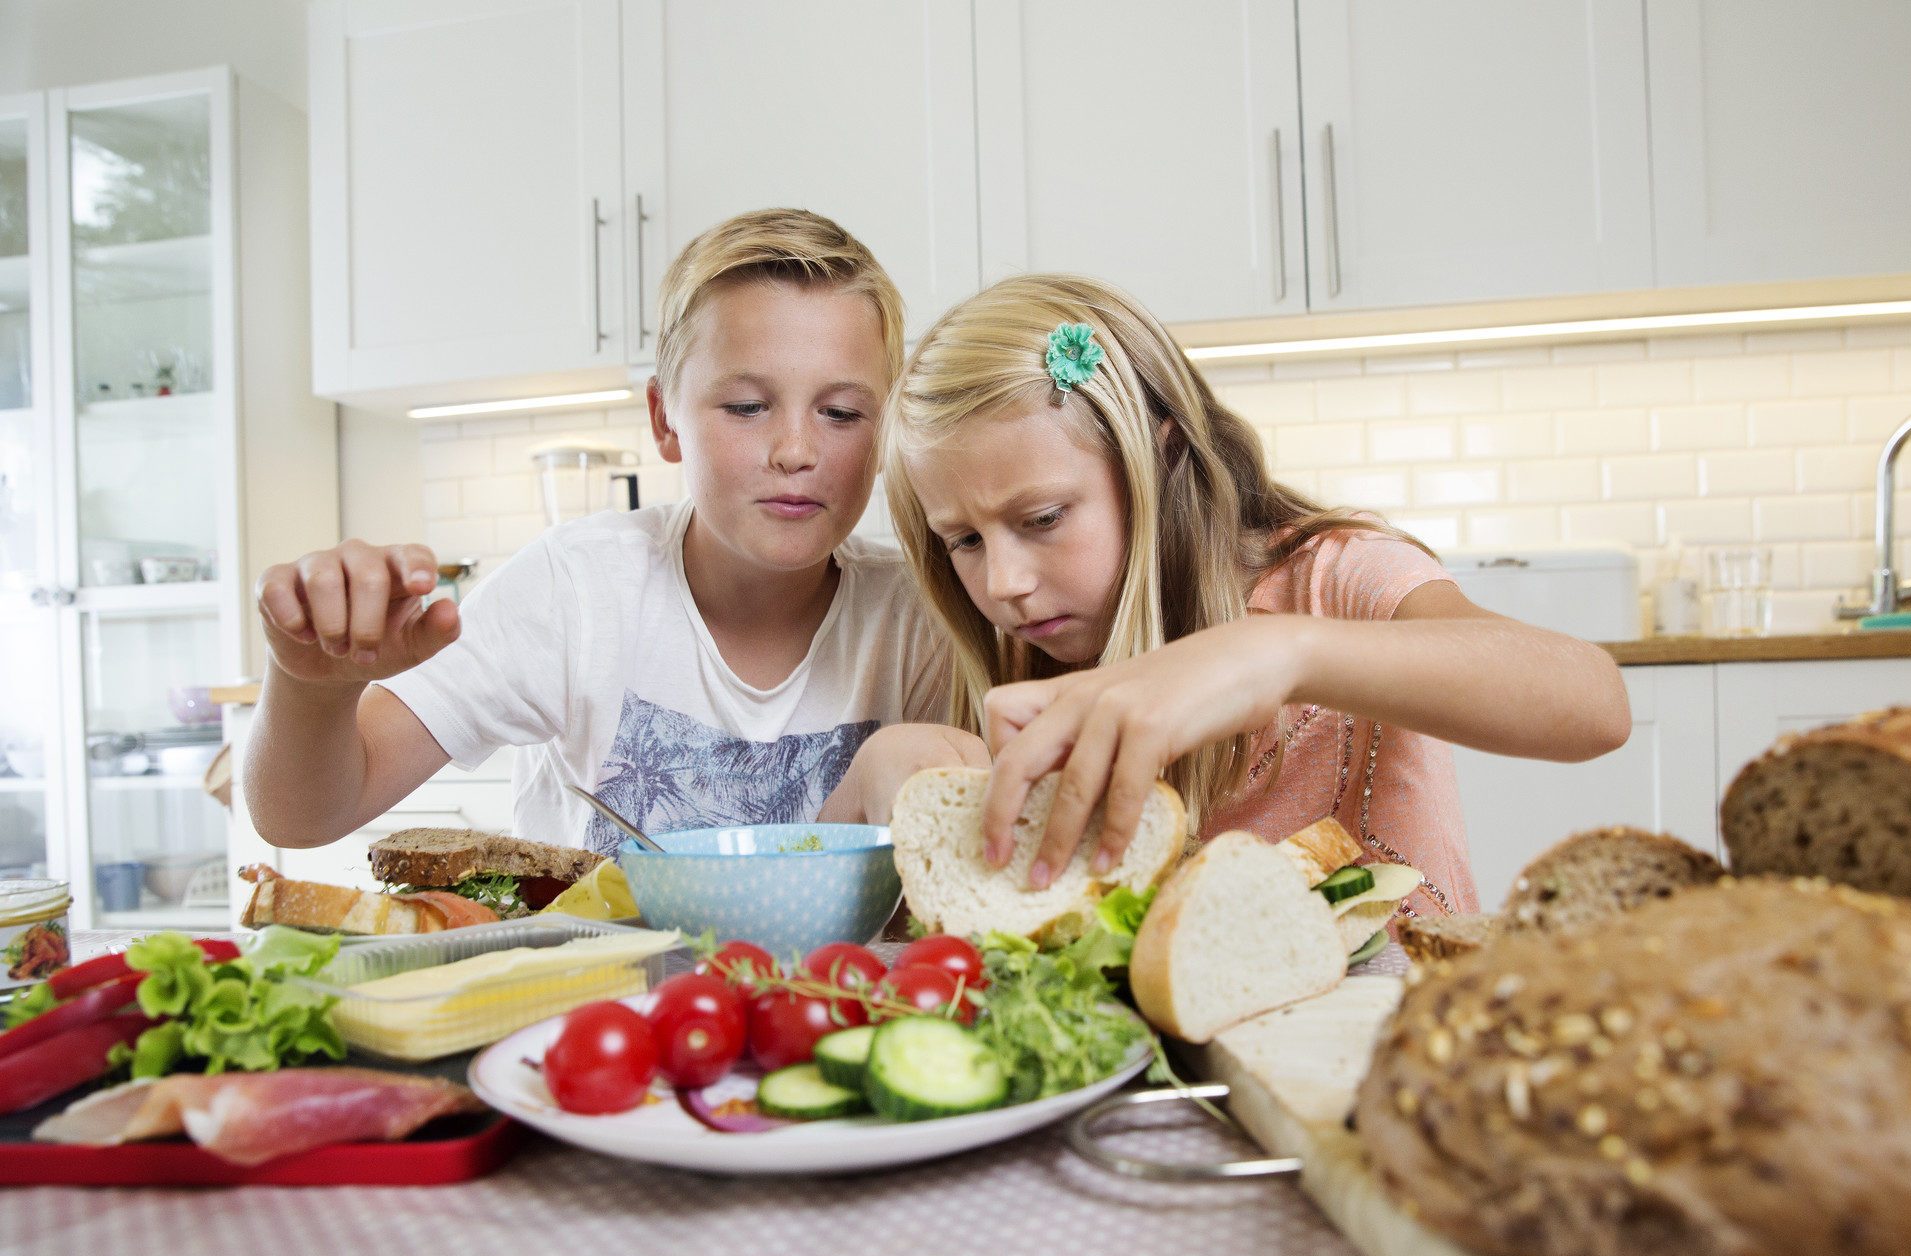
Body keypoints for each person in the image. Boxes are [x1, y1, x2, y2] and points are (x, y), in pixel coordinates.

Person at [860, 273, 1631, 917]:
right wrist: (872, 779)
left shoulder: (1334, 577)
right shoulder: (1001, 663)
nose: (1004, 583)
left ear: (1155, 462)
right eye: (963, 539)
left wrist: (1273, 653)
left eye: (1043, 518)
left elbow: (1594, 703)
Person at [243, 208, 982, 856]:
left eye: (842, 413)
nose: (796, 450)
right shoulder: (576, 589)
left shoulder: (921, 617)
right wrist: (311, 687)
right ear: (665, 420)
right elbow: (301, 817)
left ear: (884, 431)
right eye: (747, 406)